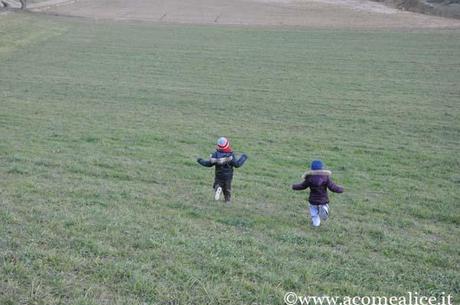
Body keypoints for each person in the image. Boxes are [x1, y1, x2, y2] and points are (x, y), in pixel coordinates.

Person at [292, 160, 343, 227]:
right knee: (323, 205)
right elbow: (332, 187)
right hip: (323, 199)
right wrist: (340, 189)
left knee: (314, 212)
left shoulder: (309, 178)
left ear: (311, 168)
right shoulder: (326, 178)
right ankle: (324, 208)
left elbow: (302, 186)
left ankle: (316, 223)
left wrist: (294, 186)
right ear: (322, 168)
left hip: (313, 200)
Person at [197, 137, 248, 203]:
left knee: (216, 185)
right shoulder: (230, 155)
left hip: (219, 175)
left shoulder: (215, 154)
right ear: (227, 145)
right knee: (227, 189)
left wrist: (200, 160)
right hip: (228, 177)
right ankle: (227, 200)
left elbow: (208, 164)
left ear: (218, 146)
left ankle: (218, 188)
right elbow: (237, 164)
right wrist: (244, 157)